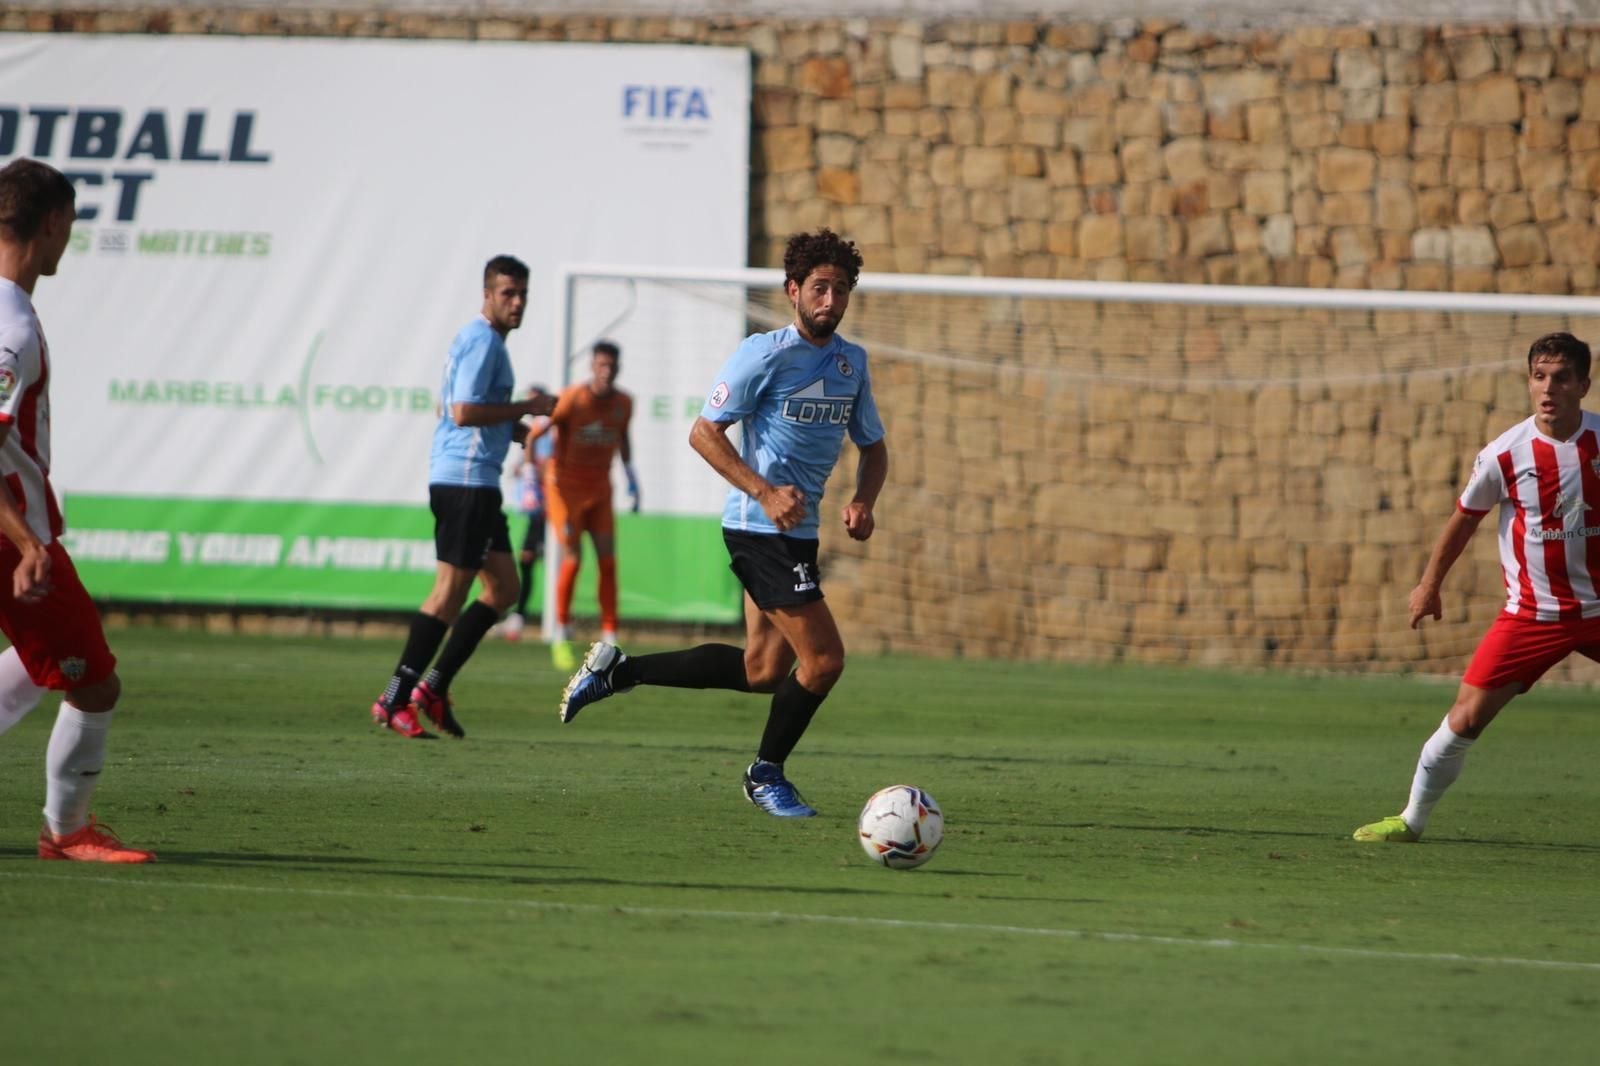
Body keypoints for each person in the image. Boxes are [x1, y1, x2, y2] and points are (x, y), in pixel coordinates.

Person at [556, 229, 887, 818]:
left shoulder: (851, 363)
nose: (830, 300)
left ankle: (618, 671)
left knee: (762, 671)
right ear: (793, 291)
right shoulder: (764, 353)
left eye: (840, 289)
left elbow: (874, 448)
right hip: (757, 530)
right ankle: (766, 773)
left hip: (798, 534)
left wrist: (863, 500)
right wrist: (762, 491)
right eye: (818, 288)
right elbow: (703, 433)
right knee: (825, 660)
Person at [1355, 331, 1600, 843]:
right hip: (1533, 616)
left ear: (1583, 385)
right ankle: (1411, 820)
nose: (1547, 388)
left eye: (1560, 378)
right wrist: (1428, 586)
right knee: (1465, 718)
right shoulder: (1504, 455)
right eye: (1538, 377)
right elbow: (1463, 521)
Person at [0, 158, 153, 862]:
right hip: (12, 536)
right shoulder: (13, 327)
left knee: (37, 667)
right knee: (93, 681)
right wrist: (28, 544)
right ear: (54, 223)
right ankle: (67, 832)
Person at [368, 255, 554, 739]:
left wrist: (518, 430)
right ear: (487, 295)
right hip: (465, 481)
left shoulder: (480, 341)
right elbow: (464, 410)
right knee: (449, 593)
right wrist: (530, 406)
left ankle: (433, 687)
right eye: (507, 293)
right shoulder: (483, 340)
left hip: (477, 480)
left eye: (522, 295)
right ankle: (395, 698)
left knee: (505, 589)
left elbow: (462, 410)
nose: (516, 303)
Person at [532, 340, 638, 670]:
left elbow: (623, 439)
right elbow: (538, 434)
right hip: (565, 489)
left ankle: (611, 635)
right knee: (573, 559)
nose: (606, 372)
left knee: (608, 561)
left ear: (618, 368)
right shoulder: (572, 399)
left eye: (611, 366)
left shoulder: (623, 403)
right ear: (593, 366)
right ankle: (561, 633)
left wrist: (632, 478)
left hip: (600, 487)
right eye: (601, 365)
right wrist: (538, 477)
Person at [500, 385, 552, 642]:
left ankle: (530, 618)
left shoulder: (547, 431)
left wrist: (533, 472)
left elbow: (553, 468)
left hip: (549, 509)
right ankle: (519, 616)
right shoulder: (531, 433)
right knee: (528, 560)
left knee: (533, 559)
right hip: (535, 509)